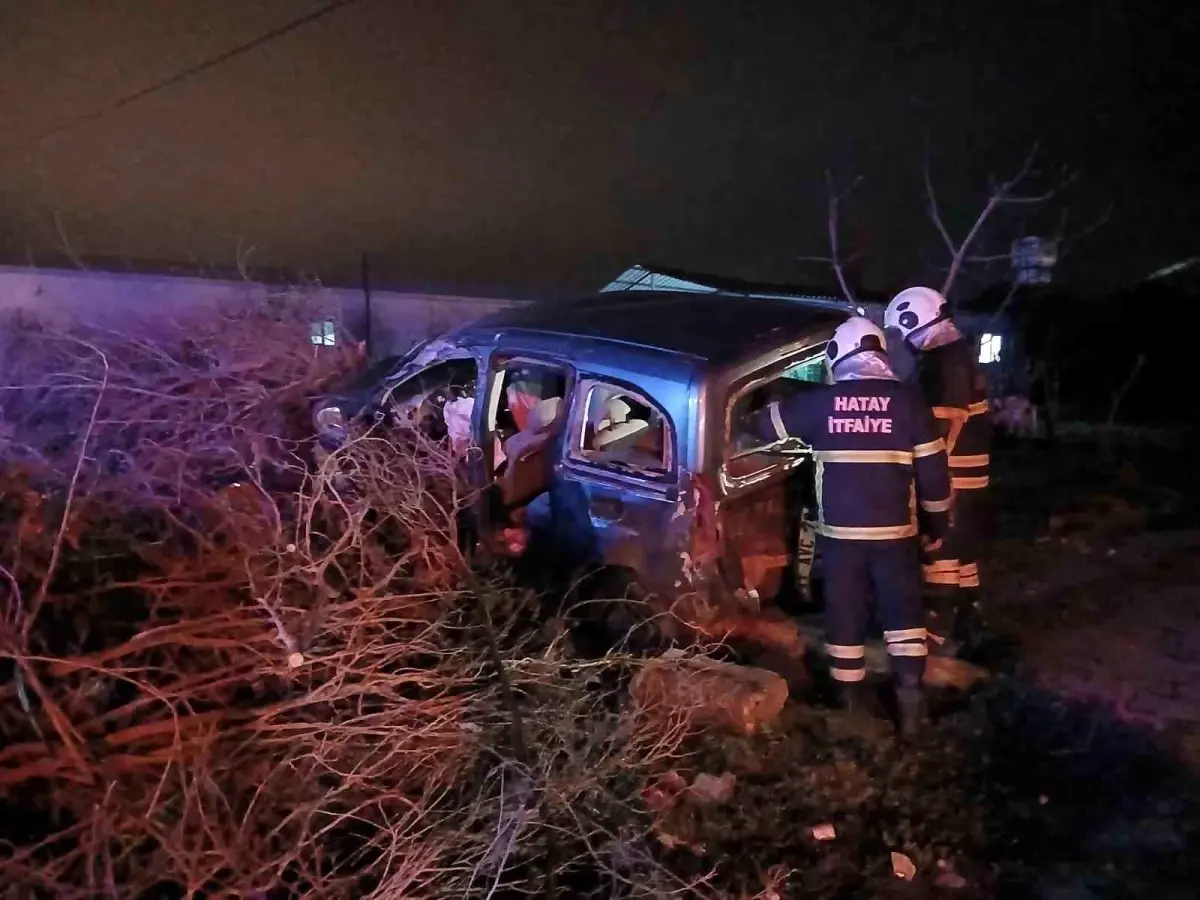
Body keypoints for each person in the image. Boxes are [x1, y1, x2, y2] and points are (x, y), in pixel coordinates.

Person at [752, 316, 953, 737]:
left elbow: (761, 426)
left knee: (844, 613)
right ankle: (911, 705)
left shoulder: (820, 404)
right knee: (903, 613)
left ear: (836, 354)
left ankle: (848, 707)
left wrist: (779, 396)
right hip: (897, 535)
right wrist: (938, 525)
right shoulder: (910, 403)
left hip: (841, 537)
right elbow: (934, 478)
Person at [884, 287, 993, 653]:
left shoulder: (943, 362)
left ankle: (934, 637)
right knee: (962, 554)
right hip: (970, 473)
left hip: (952, 473)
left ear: (912, 319)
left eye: (899, 332)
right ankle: (969, 625)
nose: (902, 343)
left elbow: (942, 427)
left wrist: (921, 475)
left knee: (939, 549)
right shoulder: (957, 355)